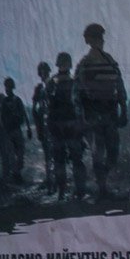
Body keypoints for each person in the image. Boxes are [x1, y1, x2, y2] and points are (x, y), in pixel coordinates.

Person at [76, 22, 127, 200]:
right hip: (94, 115)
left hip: (110, 113)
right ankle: (102, 188)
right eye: (98, 37)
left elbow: (120, 86)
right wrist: (82, 118)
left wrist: (124, 109)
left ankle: (103, 179)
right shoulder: (84, 64)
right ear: (90, 40)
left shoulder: (110, 60)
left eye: (101, 37)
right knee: (98, 151)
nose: (101, 41)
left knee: (113, 151)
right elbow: (79, 92)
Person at [47, 52, 87, 201]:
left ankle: (66, 192)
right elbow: (80, 104)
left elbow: (49, 107)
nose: (63, 65)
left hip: (62, 126)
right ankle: (72, 191)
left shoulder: (52, 82)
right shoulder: (73, 81)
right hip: (68, 125)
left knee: (62, 161)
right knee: (70, 160)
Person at [0, 76, 31, 183]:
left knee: (20, 154)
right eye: (7, 87)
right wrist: (4, 129)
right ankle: (16, 175)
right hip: (9, 132)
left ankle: (17, 173)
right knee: (12, 154)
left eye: (9, 87)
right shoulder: (4, 102)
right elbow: (1, 117)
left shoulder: (17, 100)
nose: (8, 89)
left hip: (16, 130)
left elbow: (24, 114)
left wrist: (29, 128)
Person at [32, 61, 54, 190]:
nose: (43, 74)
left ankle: (54, 182)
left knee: (55, 155)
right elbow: (35, 110)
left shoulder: (52, 84)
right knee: (48, 154)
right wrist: (39, 128)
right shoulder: (40, 88)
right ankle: (50, 181)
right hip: (46, 125)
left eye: (45, 71)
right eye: (42, 72)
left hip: (53, 124)